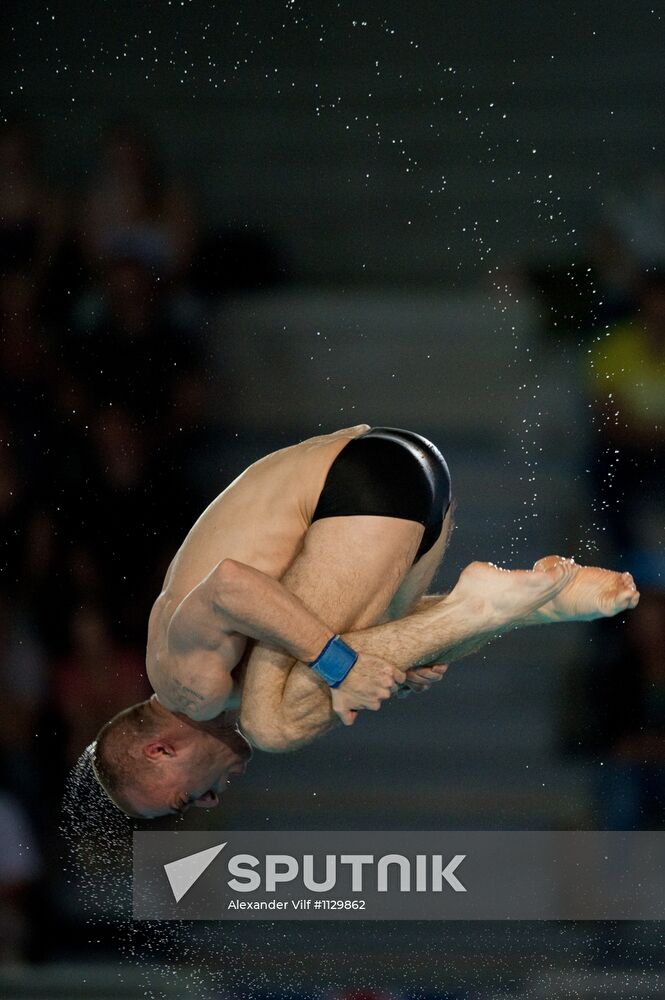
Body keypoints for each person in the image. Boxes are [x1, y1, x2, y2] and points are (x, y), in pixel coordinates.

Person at [90, 425, 639, 818]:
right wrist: (376, 656)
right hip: (403, 473)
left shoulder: (185, 685)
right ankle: (532, 606)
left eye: (187, 798)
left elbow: (231, 584)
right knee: (335, 664)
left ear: (159, 750)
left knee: (273, 724)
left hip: (358, 486)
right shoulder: (212, 687)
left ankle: (487, 605)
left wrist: (340, 664)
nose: (211, 801)